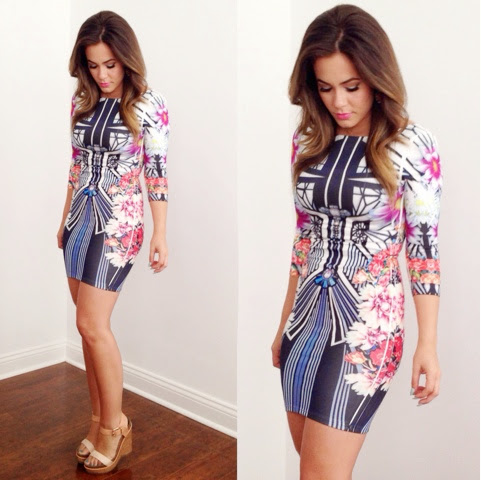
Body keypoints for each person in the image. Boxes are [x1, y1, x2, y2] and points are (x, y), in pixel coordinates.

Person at [271, 5, 442, 479]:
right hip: (305, 321)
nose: (338, 101)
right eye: (325, 87)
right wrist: (284, 323)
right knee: (312, 470)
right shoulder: (308, 139)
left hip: (367, 328)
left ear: (376, 78)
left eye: (352, 86)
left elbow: (424, 251)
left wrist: (427, 344)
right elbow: (303, 240)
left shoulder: (412, 144)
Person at [56, 11, 169, 475]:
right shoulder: (82, 100)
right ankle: (98, 421)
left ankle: (115, 427)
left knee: (92, 323)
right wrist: (64, 219)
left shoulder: (148, 105)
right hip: (80, 221)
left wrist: (160, 231)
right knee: (86, 328)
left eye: (111, 64)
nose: (102, 74)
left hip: (119, 224)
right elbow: (75, 164)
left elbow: (156, 173)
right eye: (93, 65)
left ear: (126, 59)